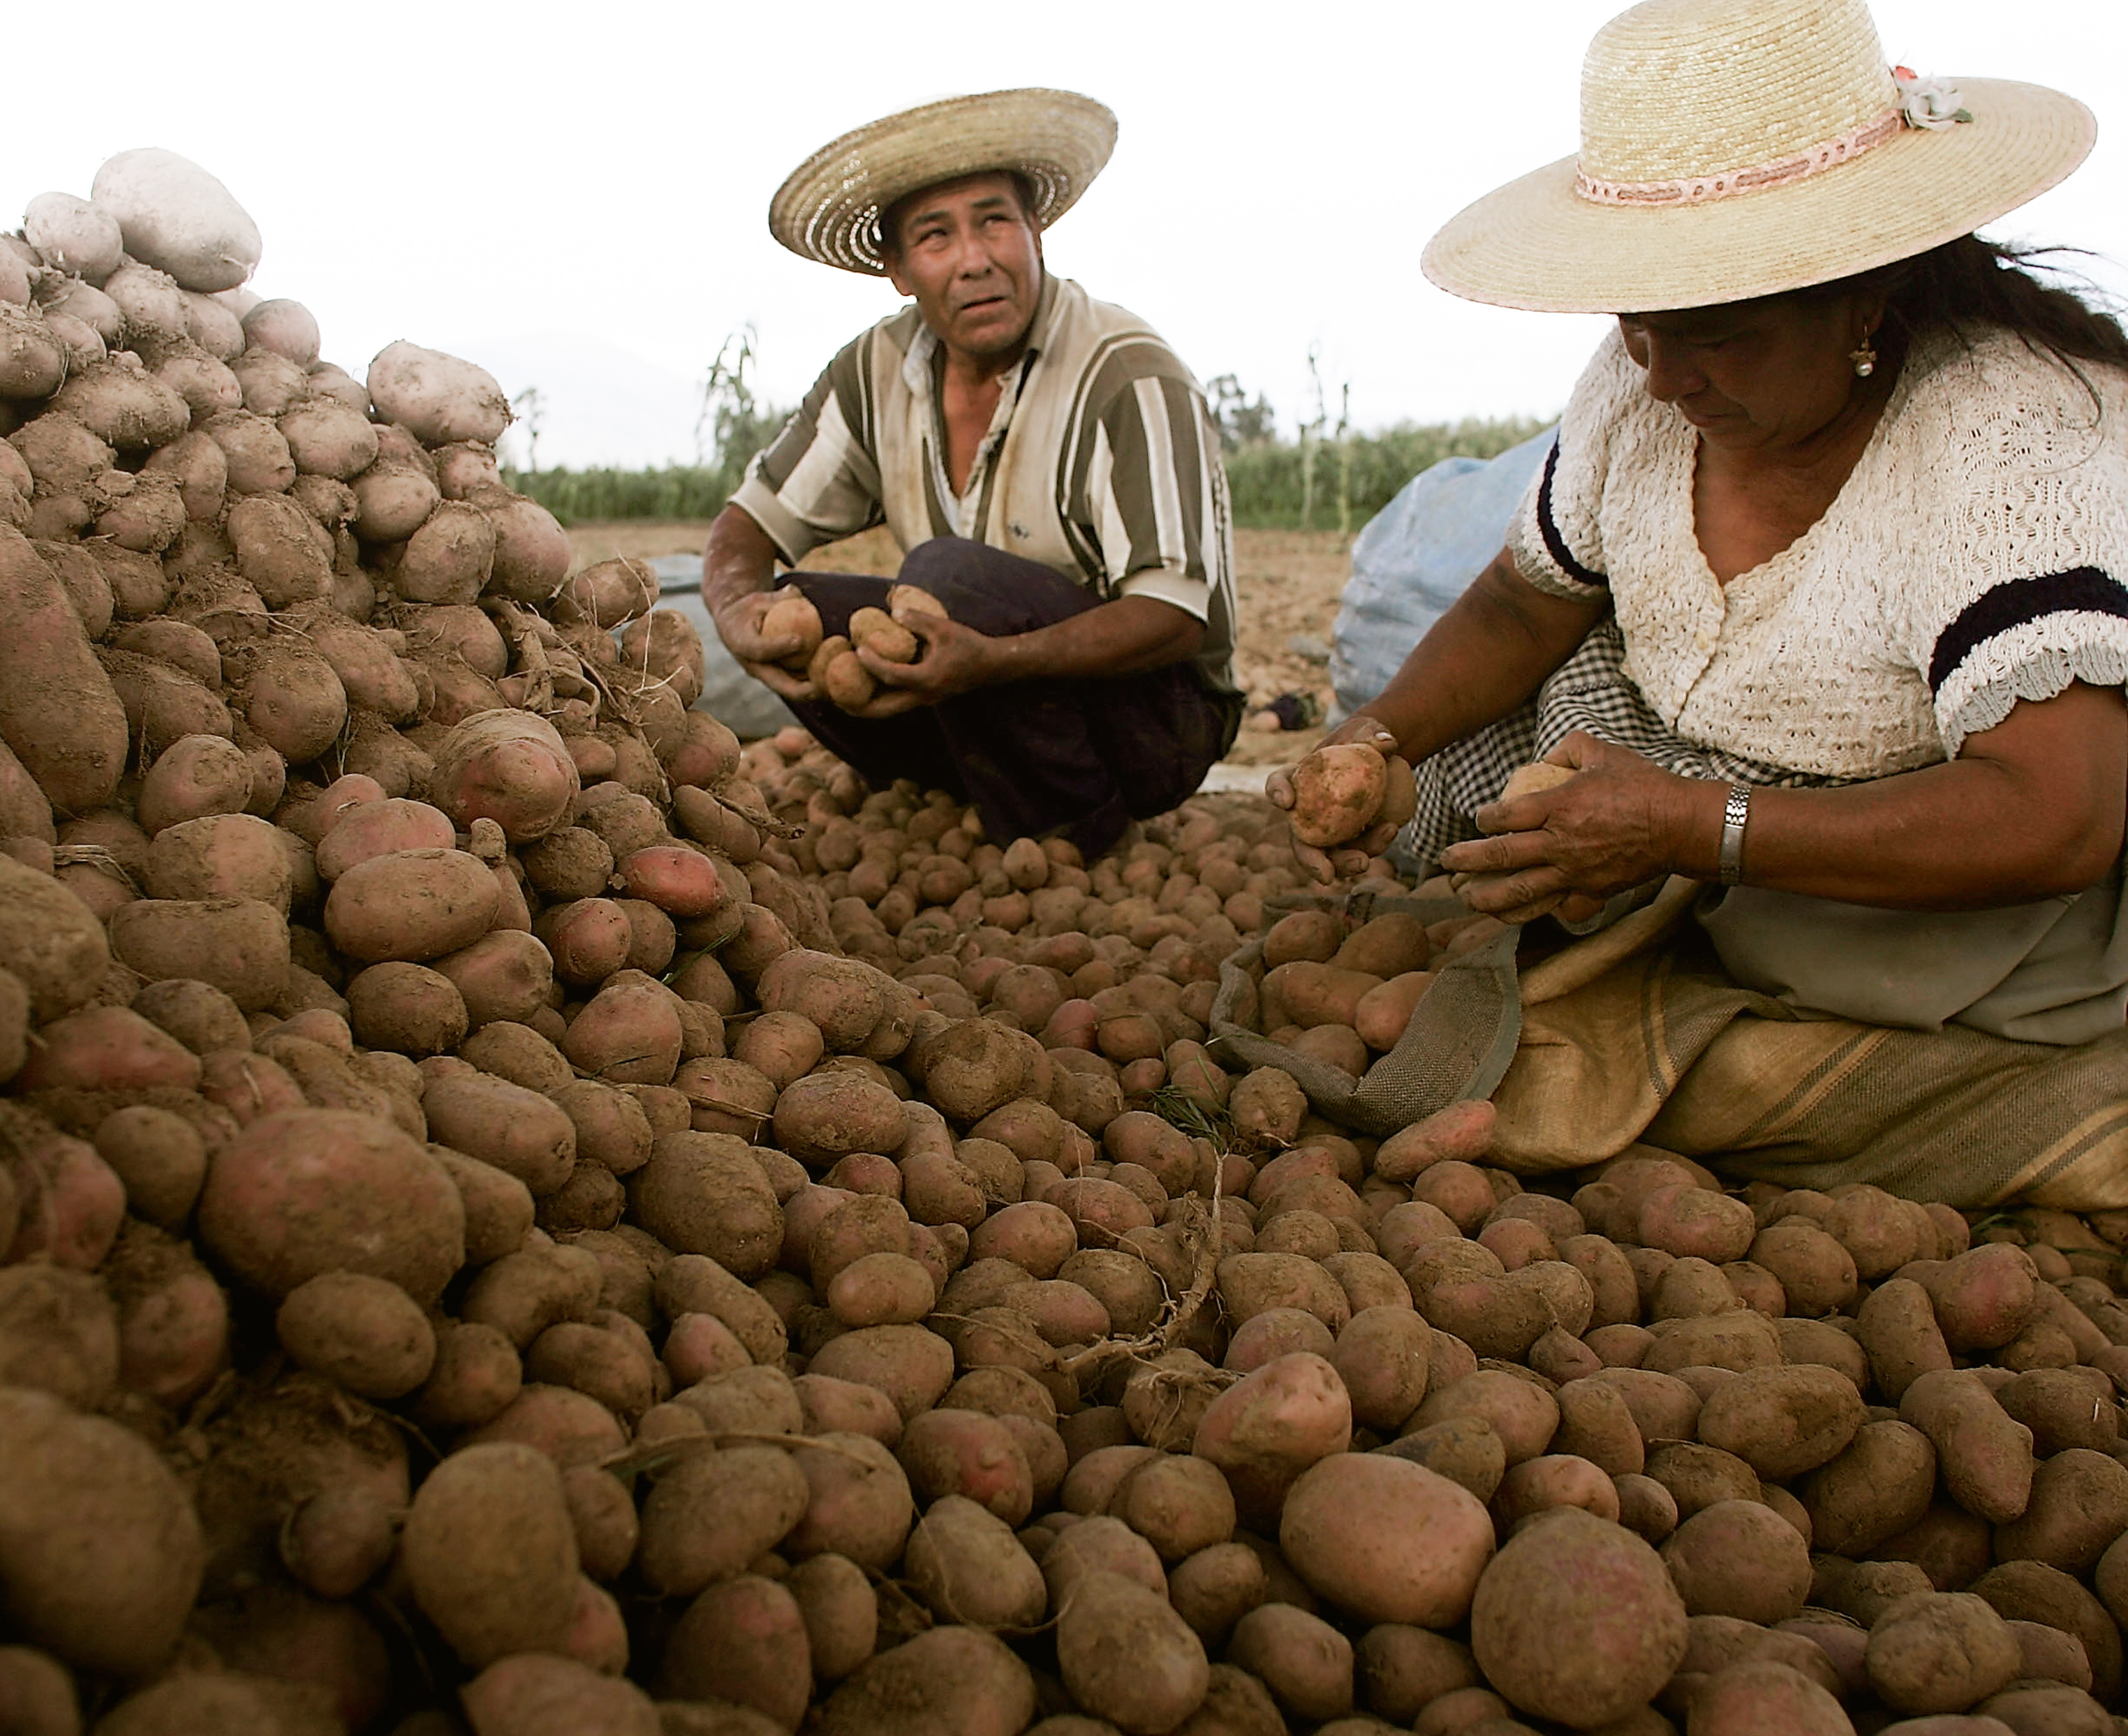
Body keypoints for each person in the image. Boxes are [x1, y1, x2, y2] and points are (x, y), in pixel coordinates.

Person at [1278, 0, 2128, 1205]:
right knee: (1509, 762)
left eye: (1714, 333)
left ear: (1860, 295)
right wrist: (1369, 740)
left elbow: (2058, 815)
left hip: (1956, 891)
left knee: (1635, 1068)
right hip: (1701, 808)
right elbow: (1524, 602)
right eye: (1638, 325)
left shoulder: (2002, 437)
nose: (1663, 377)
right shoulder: (1636, 393)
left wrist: (1690, 828)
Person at [702, 89, 1242, 860]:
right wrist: (733, 612)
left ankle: (1073, 834)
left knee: (945, 577)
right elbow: (751, 522)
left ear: (1037, 232)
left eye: (995, 221)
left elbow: (1177, 615)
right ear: (897, 268)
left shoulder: (1127, 375)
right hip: (984, 698)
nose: (975, 260)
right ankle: (970, 788)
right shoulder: (875, 370)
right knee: (800, 614)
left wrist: (993, 663)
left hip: (1158, 720)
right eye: (935, 236)